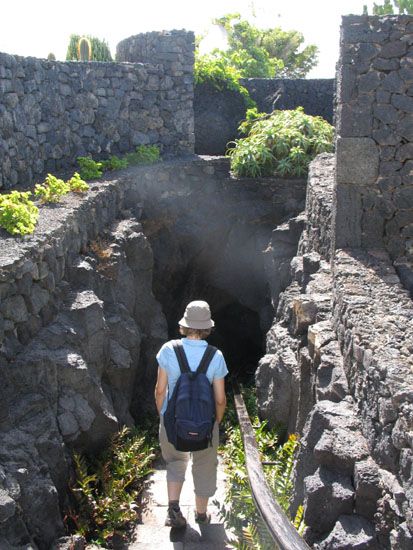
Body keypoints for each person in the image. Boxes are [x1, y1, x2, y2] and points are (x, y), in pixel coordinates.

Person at [154, 300, 228, 529]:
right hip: (205, 422)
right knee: (204, 464)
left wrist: (164, 415)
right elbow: (220, 398)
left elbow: (160, 390)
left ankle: (173, 510)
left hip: (173, 420)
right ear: (207, 327)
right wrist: (216, 421)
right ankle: (201, 514)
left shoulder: (169, 349)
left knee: (176, 461)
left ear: (184, 324)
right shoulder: (215, 356)